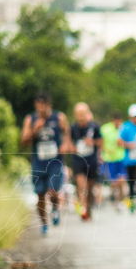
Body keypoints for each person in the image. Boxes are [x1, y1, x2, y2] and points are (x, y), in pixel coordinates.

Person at [20, 92, 70, 237]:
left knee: (53, 191)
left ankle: (55, 208)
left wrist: (66, 144)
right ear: (35, 105)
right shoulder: (31, 119)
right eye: (38, 105)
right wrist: (35, 129)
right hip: (38, 163)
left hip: (55, 162)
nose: (41, 109)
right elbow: (23, 141)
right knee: (40, 195)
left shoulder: (59, 117)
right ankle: (44, 224)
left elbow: (67, 132)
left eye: (44, 106)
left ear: (49, 105)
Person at [70, 103, 102, 221]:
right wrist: (71, 147)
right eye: (79, 114)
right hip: (78, 160)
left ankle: (89, 207)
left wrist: (92, 142)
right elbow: (69, 142)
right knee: (81, 185)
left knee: (90, 187)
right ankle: (83, 208)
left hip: (91, 160)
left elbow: (101, 142)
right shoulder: (72, 128)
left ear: (87, 113)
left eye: (83, 113)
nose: (81, 116)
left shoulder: (94, 127)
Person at [120, 103, 136, 214]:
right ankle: (131, 201)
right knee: (131, 182)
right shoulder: (126, 127)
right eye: (134, 117)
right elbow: (119, 141)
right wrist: (129, 145)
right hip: (130, 160)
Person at [100, 112, 127, 211]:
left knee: (122, 180)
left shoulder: (124, 129)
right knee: (114, 182)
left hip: (121, 158)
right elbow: (101, 142)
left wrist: (123, 143)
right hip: (109, 159)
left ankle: (120, 201)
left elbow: (126, 142)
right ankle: (116, 199)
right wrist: (102, 153)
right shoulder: (105, 129)